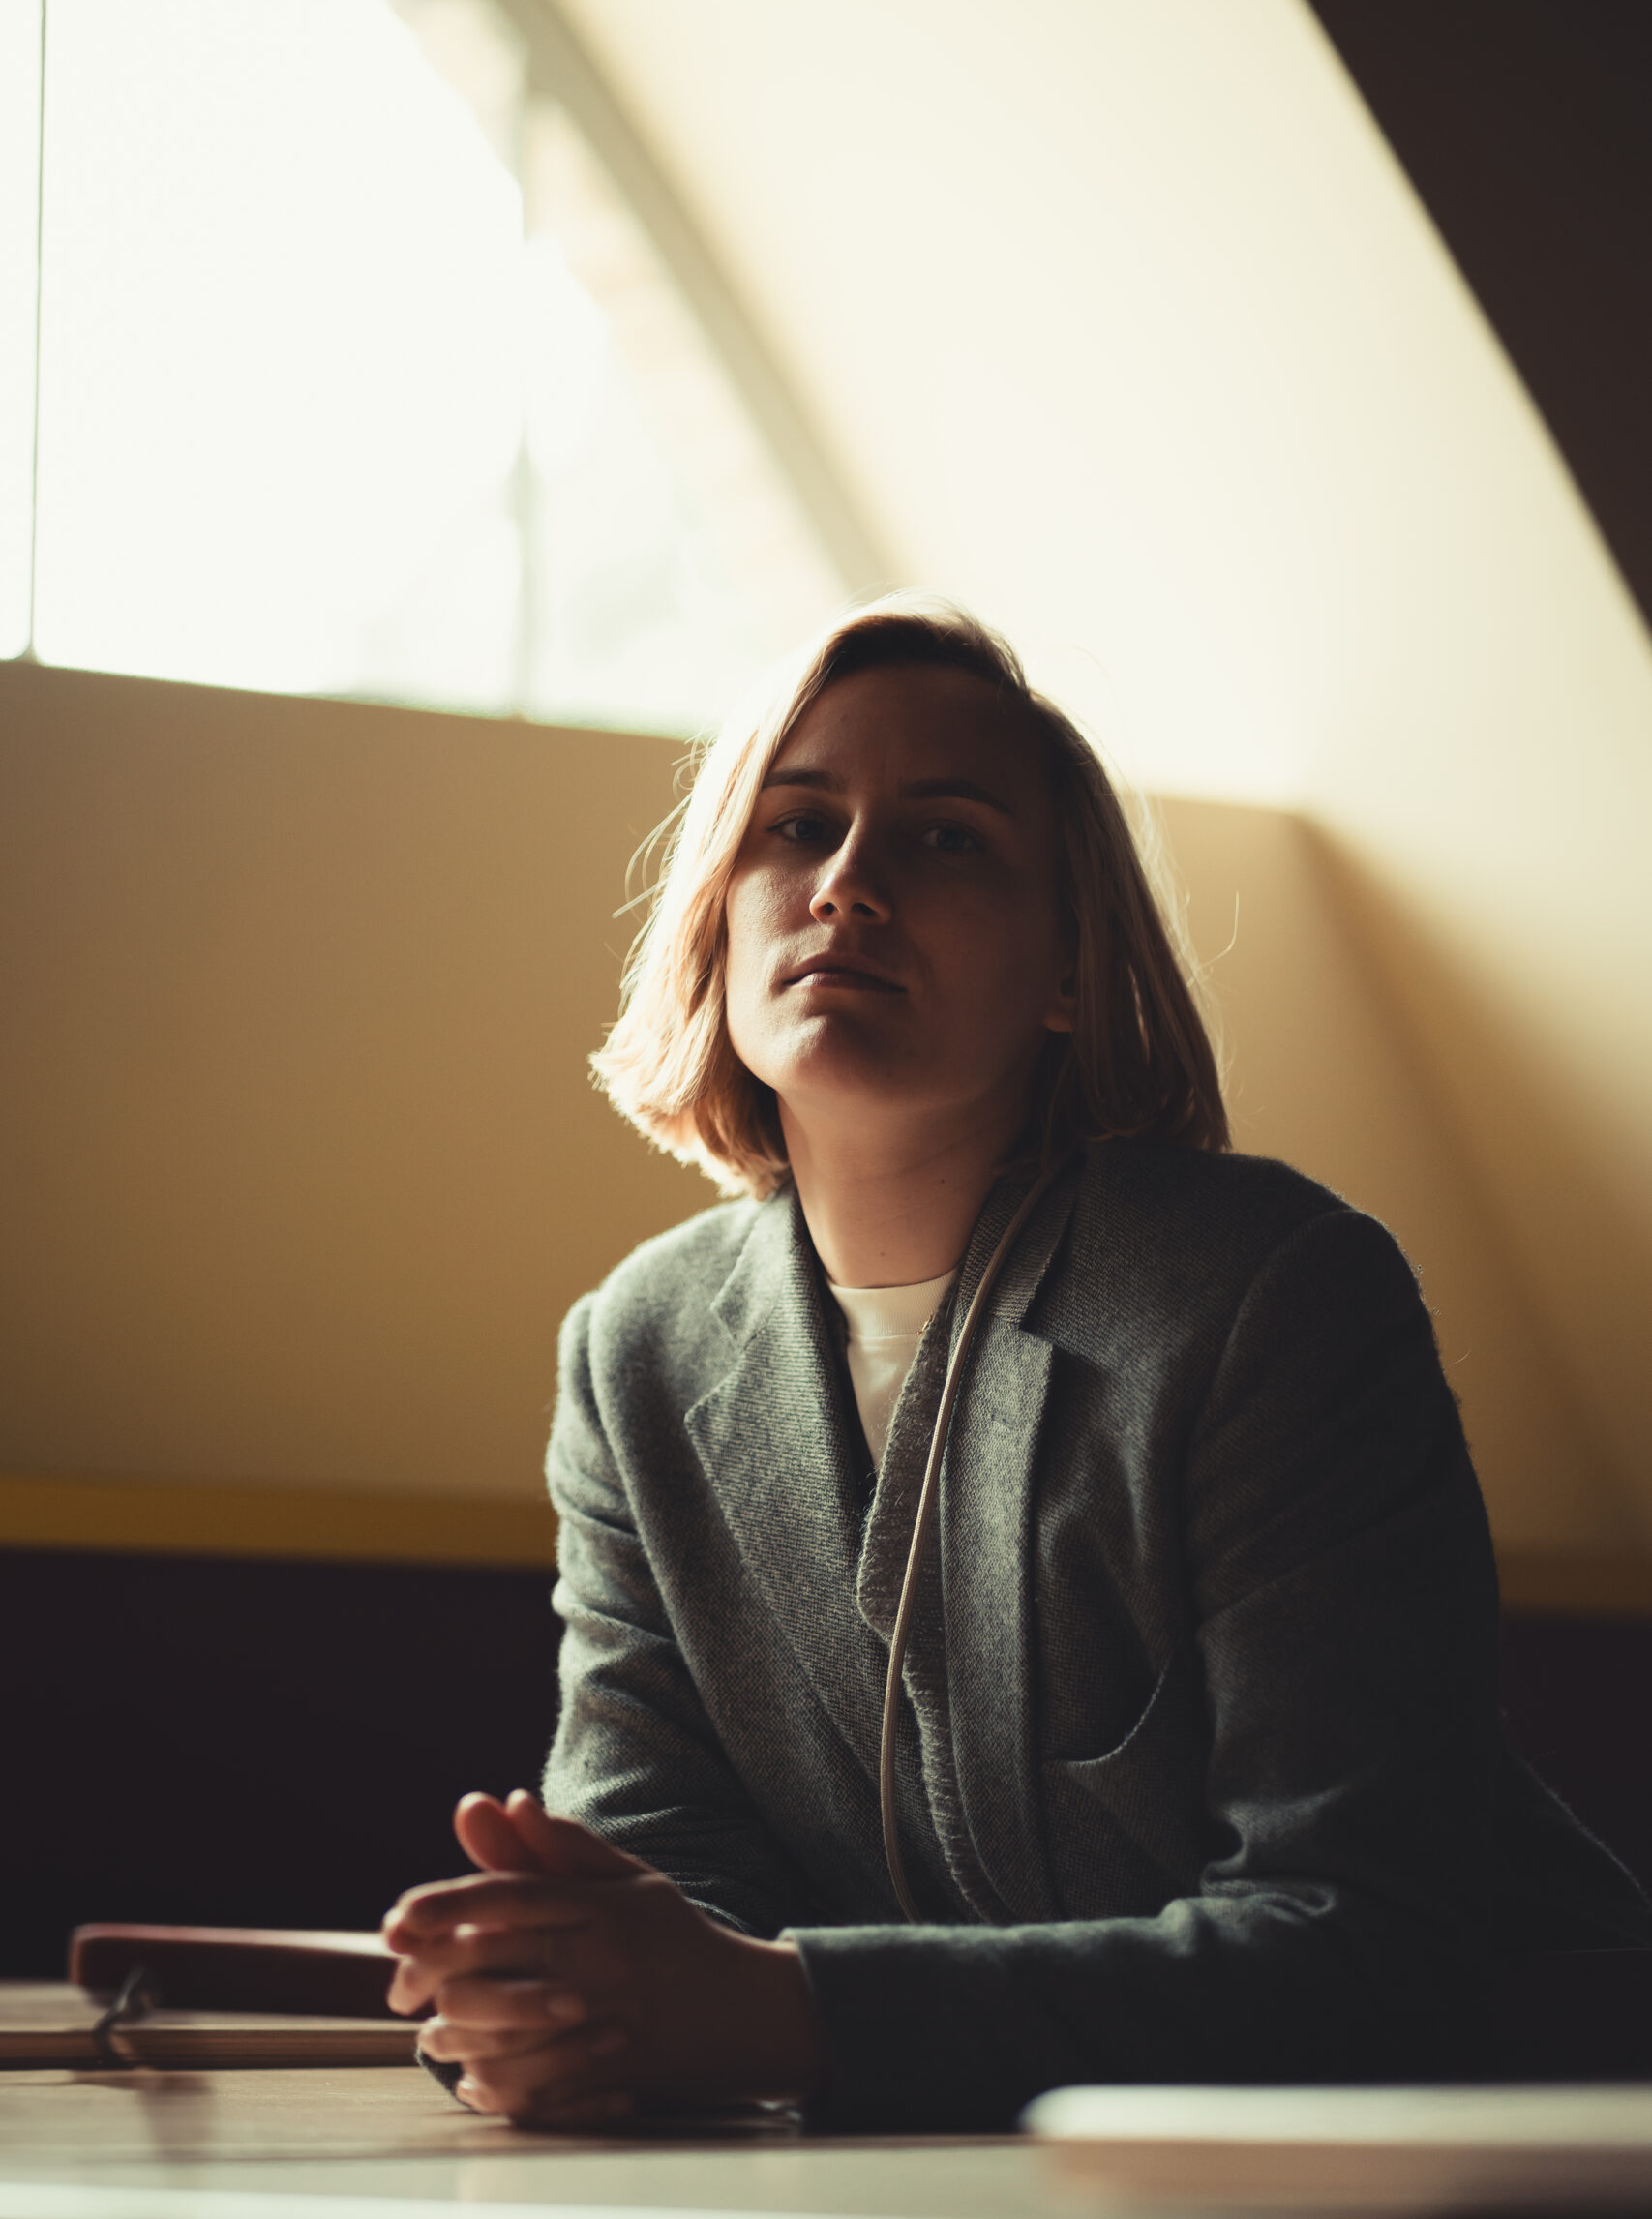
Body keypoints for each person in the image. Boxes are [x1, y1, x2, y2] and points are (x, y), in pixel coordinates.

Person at [382, 599, 1651, 2132]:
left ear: (1068, 967)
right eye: (797, 826)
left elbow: (1371, 1938)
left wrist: (781, 2009)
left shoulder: (1271, 1292)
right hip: (959, 2161)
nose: (847, 885)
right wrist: (559, 1989)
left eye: (946, 842)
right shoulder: (634, 1352)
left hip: (1486, 2142)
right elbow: (667, 1880)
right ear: (716, 917)